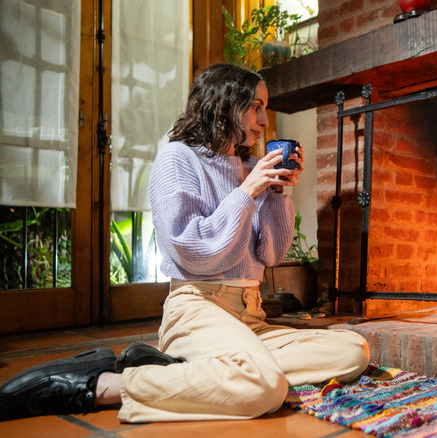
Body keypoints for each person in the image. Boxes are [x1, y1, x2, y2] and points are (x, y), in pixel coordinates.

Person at [0, 63, 370, 422]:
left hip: (250, 315)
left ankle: (211, 368)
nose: (264, 121)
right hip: (197, 307)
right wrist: (248, 190)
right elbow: (191, 249)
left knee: (353, 350)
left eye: (265, 108)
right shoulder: (177, 158)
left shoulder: (247, 168)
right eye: (255, 107)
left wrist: (276, 193)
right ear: (224, 105)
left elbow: (270, 254)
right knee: (264, 387)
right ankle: (105, 384)